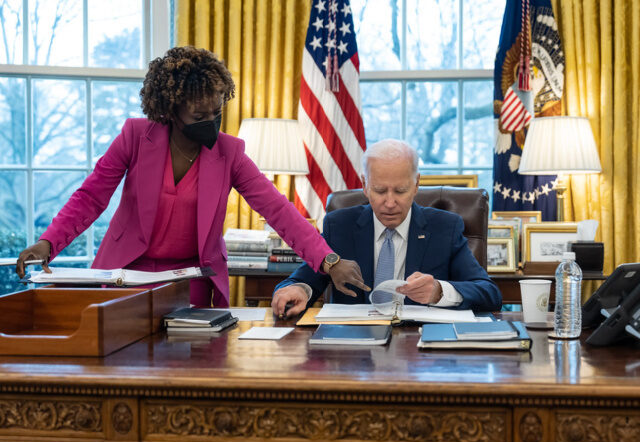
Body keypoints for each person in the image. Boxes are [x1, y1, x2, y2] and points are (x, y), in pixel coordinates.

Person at [16, 46, 368, 307]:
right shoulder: (135, 137)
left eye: (217, 112)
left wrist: (328, 259)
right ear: (171, 108)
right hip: (128, 276)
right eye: (200, 114)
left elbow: (279, 211)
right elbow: (91, 197)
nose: (211, 122)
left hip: (192, 281)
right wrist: (48, 244)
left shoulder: (229, 153)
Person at [272, 139, 502, 317]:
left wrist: (439, 292)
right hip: (350, 352)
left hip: (420, 351)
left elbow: (489, 293)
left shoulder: (445, 228)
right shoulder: (339, 226)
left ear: (416, 185)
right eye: (380, 191)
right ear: (364, 185)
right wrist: (300, 290)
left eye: (400, 191)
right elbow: (298, 282)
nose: (390, 203)